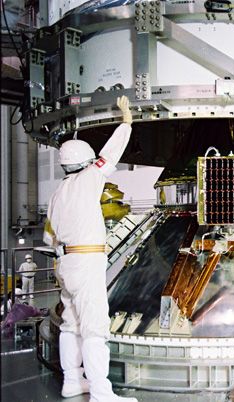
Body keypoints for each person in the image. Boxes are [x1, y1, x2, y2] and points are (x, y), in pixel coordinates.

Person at [43, 96, 137, 401]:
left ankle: (72, 381)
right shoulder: (89, 178)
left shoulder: (58, 193)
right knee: (95, 326)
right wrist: (126, 122)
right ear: (85, 161)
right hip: (86, 263)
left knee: (71, 322)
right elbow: (110, 155)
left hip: (65, 264)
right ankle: (101, 392)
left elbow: (48, 238)